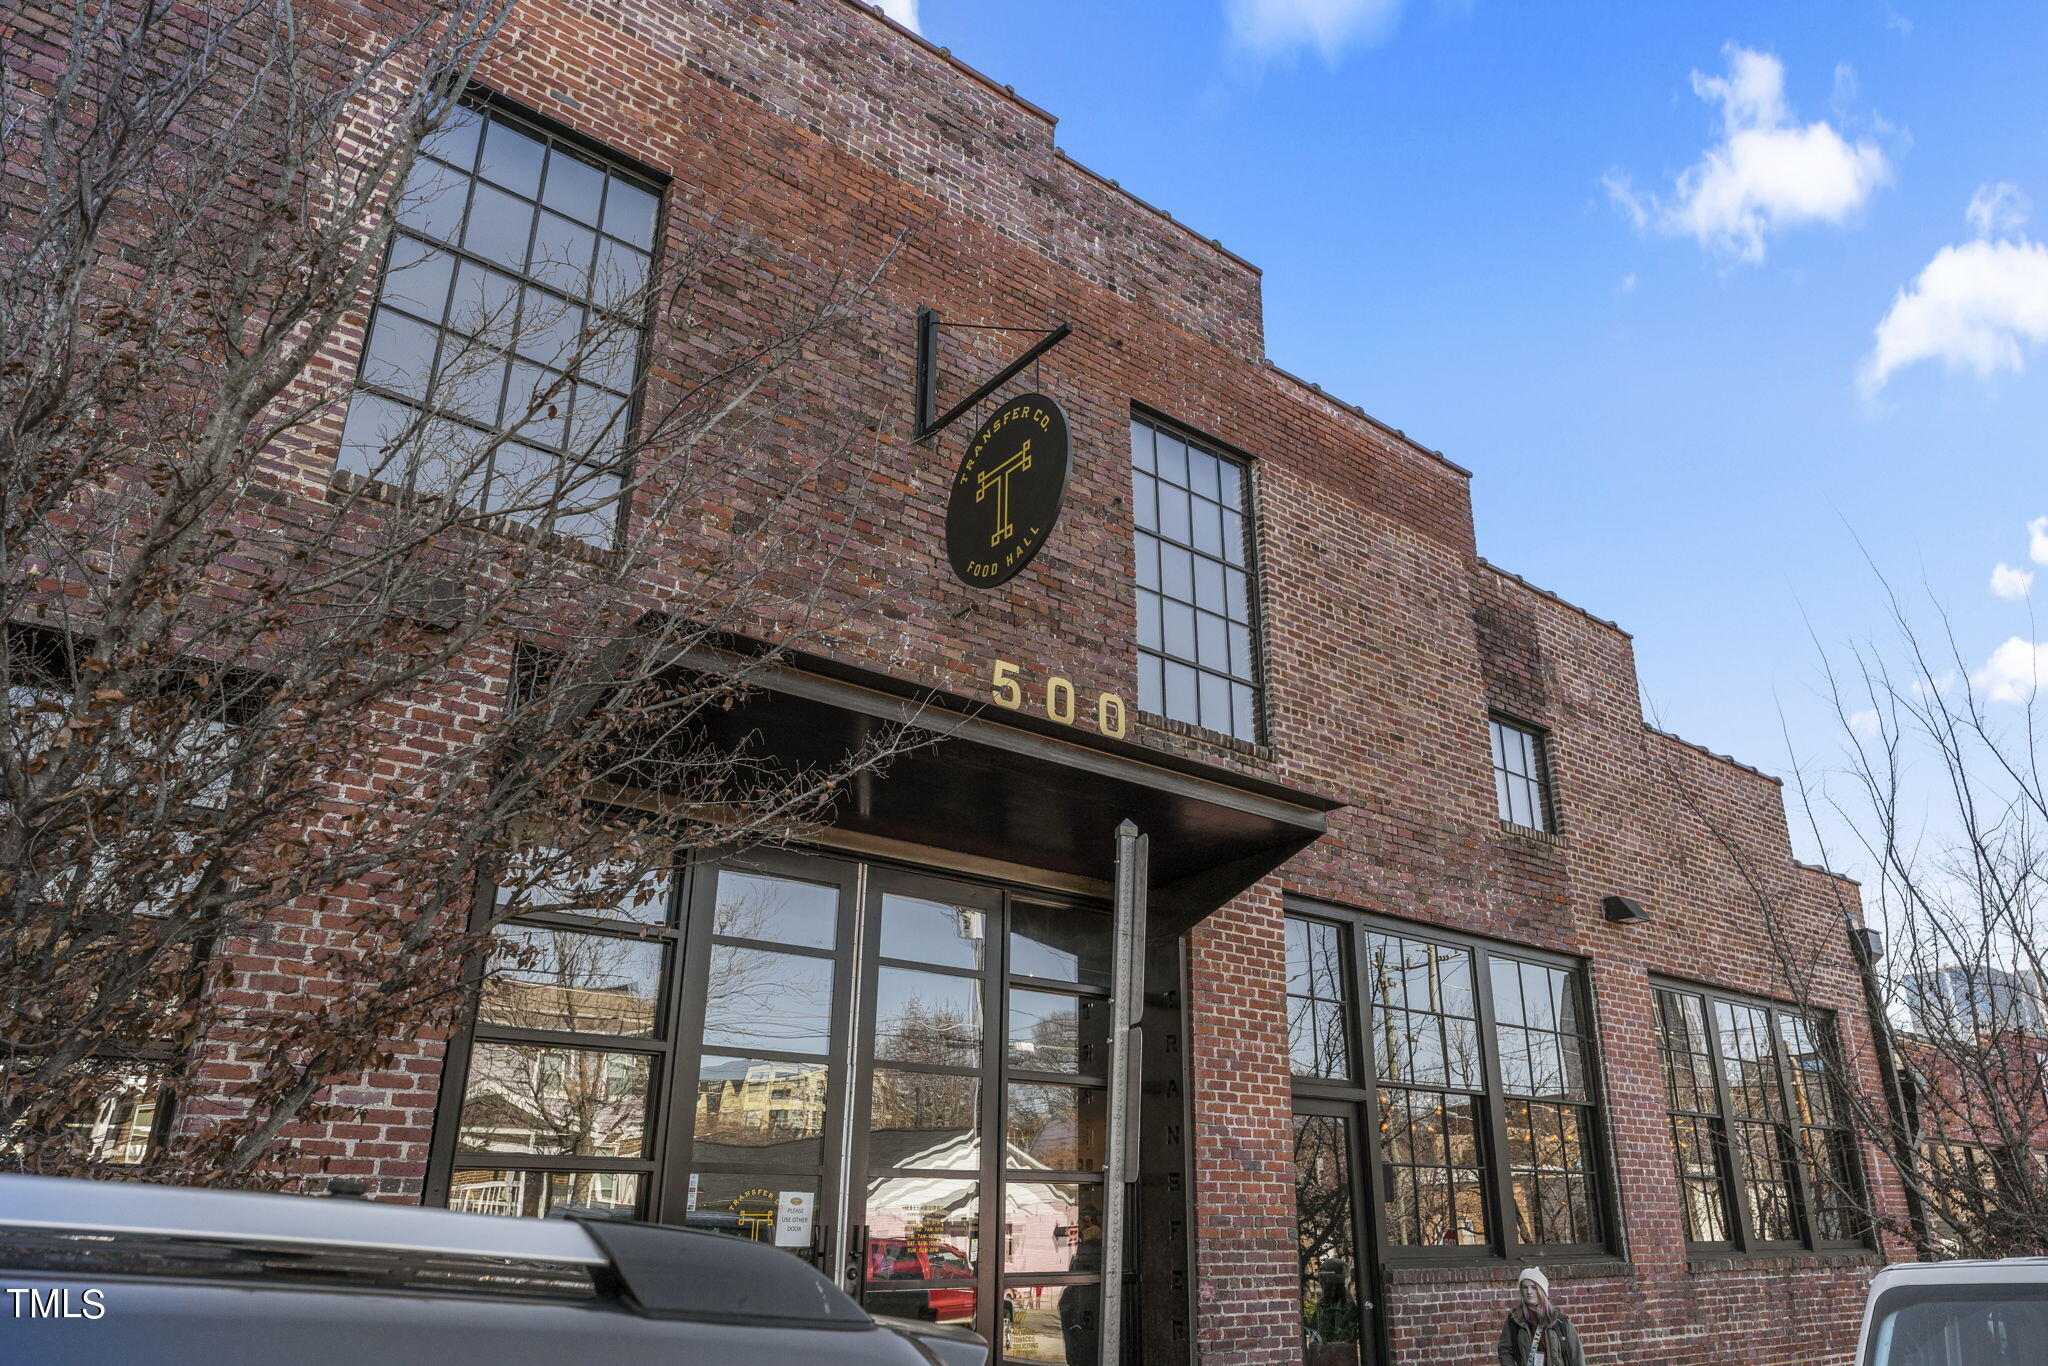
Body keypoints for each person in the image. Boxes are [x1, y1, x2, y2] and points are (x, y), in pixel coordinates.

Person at [1497, 1267, 1586, 1366]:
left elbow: (1577, 1356)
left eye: (1534, 1287)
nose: (1529, 1292)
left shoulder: (1561, 1321)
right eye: (1525, 1287)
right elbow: (1505, 1350)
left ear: (1542, 1290)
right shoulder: (1514, 1320)